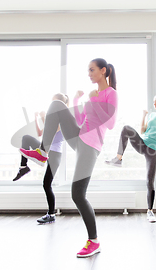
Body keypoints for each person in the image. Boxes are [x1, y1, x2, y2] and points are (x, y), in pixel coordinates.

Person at [20, 58, 117, 258]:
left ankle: (94, 241)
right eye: (87, 70)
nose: (89, 73)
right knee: (56, 105)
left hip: (90, 146)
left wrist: (93, 99)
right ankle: (42, 151)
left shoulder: (110, 93)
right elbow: (82, 119)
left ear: (103, 71)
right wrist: (78, 101)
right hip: (79, 136)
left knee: (77, 195)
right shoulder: (95, 95)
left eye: (92, 70)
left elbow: (111, 123)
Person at [105, 94, 156, 223]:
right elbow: (143, 131)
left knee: (149, 181)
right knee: (126, 128)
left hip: (153, 150)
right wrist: (144, 116)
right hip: (142, 144)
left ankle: (150, 211)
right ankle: (118, 158)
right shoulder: (152, 114)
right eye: (154, 102)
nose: (155, 104)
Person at [12, 93, 69, 224]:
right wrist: (36, 117)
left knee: (46, 184)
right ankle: (23, 167)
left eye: (54, 102)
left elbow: (53, 130)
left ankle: (51, 214)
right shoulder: (53, 117)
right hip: (44, 148)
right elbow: (40, 133)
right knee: (26, 138)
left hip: (54, 154)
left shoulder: (63, 118)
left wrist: (44, 117)